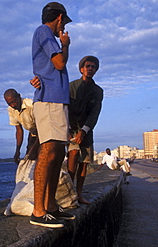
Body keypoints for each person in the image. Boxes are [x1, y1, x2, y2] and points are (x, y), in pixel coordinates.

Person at [29, 2, 75, 228]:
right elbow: (59, 63)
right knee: (47, 151)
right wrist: (65, 45)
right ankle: (38, 211)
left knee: (57, 153)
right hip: (48, 101)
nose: (63, 28)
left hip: (57, 101)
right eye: (64, 23)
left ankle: (51, 206)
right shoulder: (44, 32)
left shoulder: (47, 35)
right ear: (58, 17)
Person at [67, 56, 103, 205]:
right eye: (87, 66)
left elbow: (95, 113)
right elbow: (64, 108)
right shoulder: (71, 87)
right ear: (82, 69)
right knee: (73, 154)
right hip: (71, 127)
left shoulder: (98, 91)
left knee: (85, 162)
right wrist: (68, 129)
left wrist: (84, 131)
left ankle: (79, 194)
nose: (90, 68)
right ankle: (69, 193)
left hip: (87, 129)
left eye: (93, 67)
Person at [4, 89, 39, 163]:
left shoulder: (31, 105)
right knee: (29, 159)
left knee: (35, 155)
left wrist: (33, 149)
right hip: (33, 132)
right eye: (9, 103)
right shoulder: (11, 109)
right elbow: (19, 130)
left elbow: (41, 127)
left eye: (14, 101)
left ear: (19, 96)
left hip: (44, 131)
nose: (13, 105)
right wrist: (17, 151)